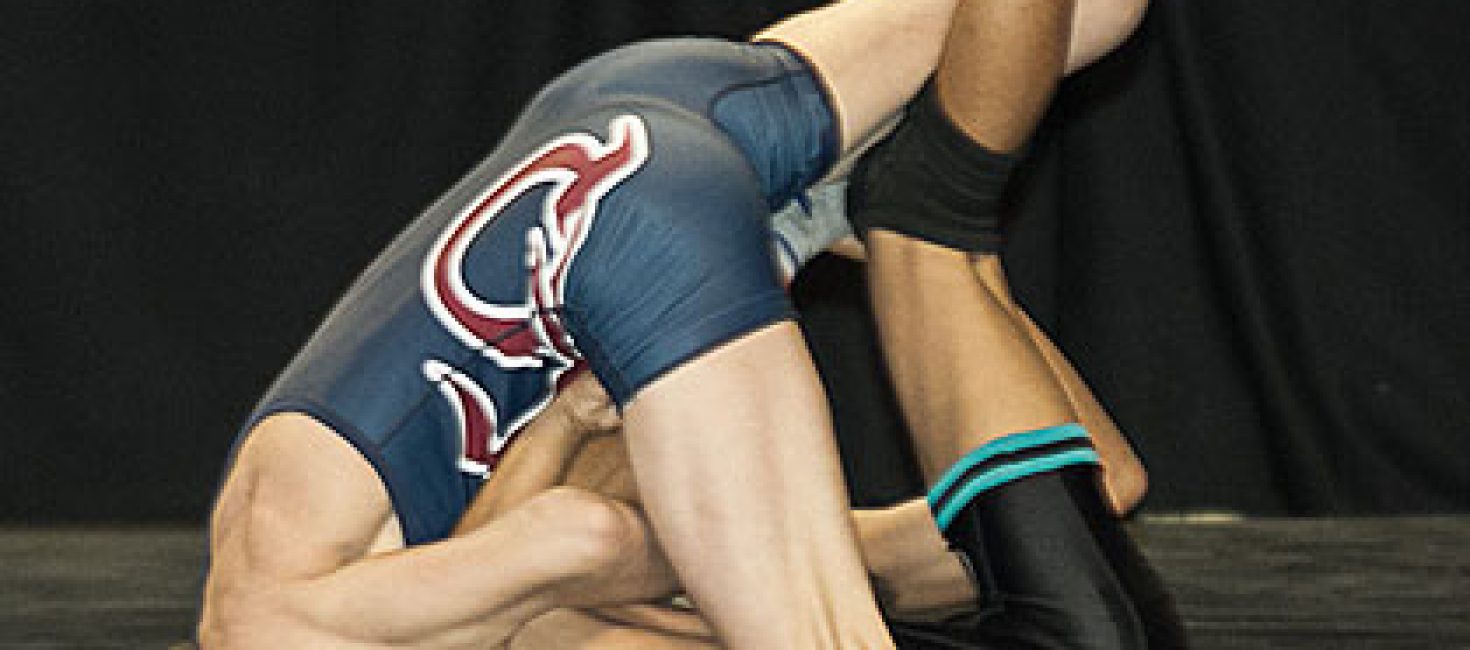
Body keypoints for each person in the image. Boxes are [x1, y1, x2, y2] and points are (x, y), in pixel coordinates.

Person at [198, 0, 1174, 647]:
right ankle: (822, 224)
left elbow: (578, 537)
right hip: (623, 115)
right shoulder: (290, 547)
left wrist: (659, 549)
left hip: (623, 230)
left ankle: (861, 223)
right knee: (1103, 9)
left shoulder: (274, 613)